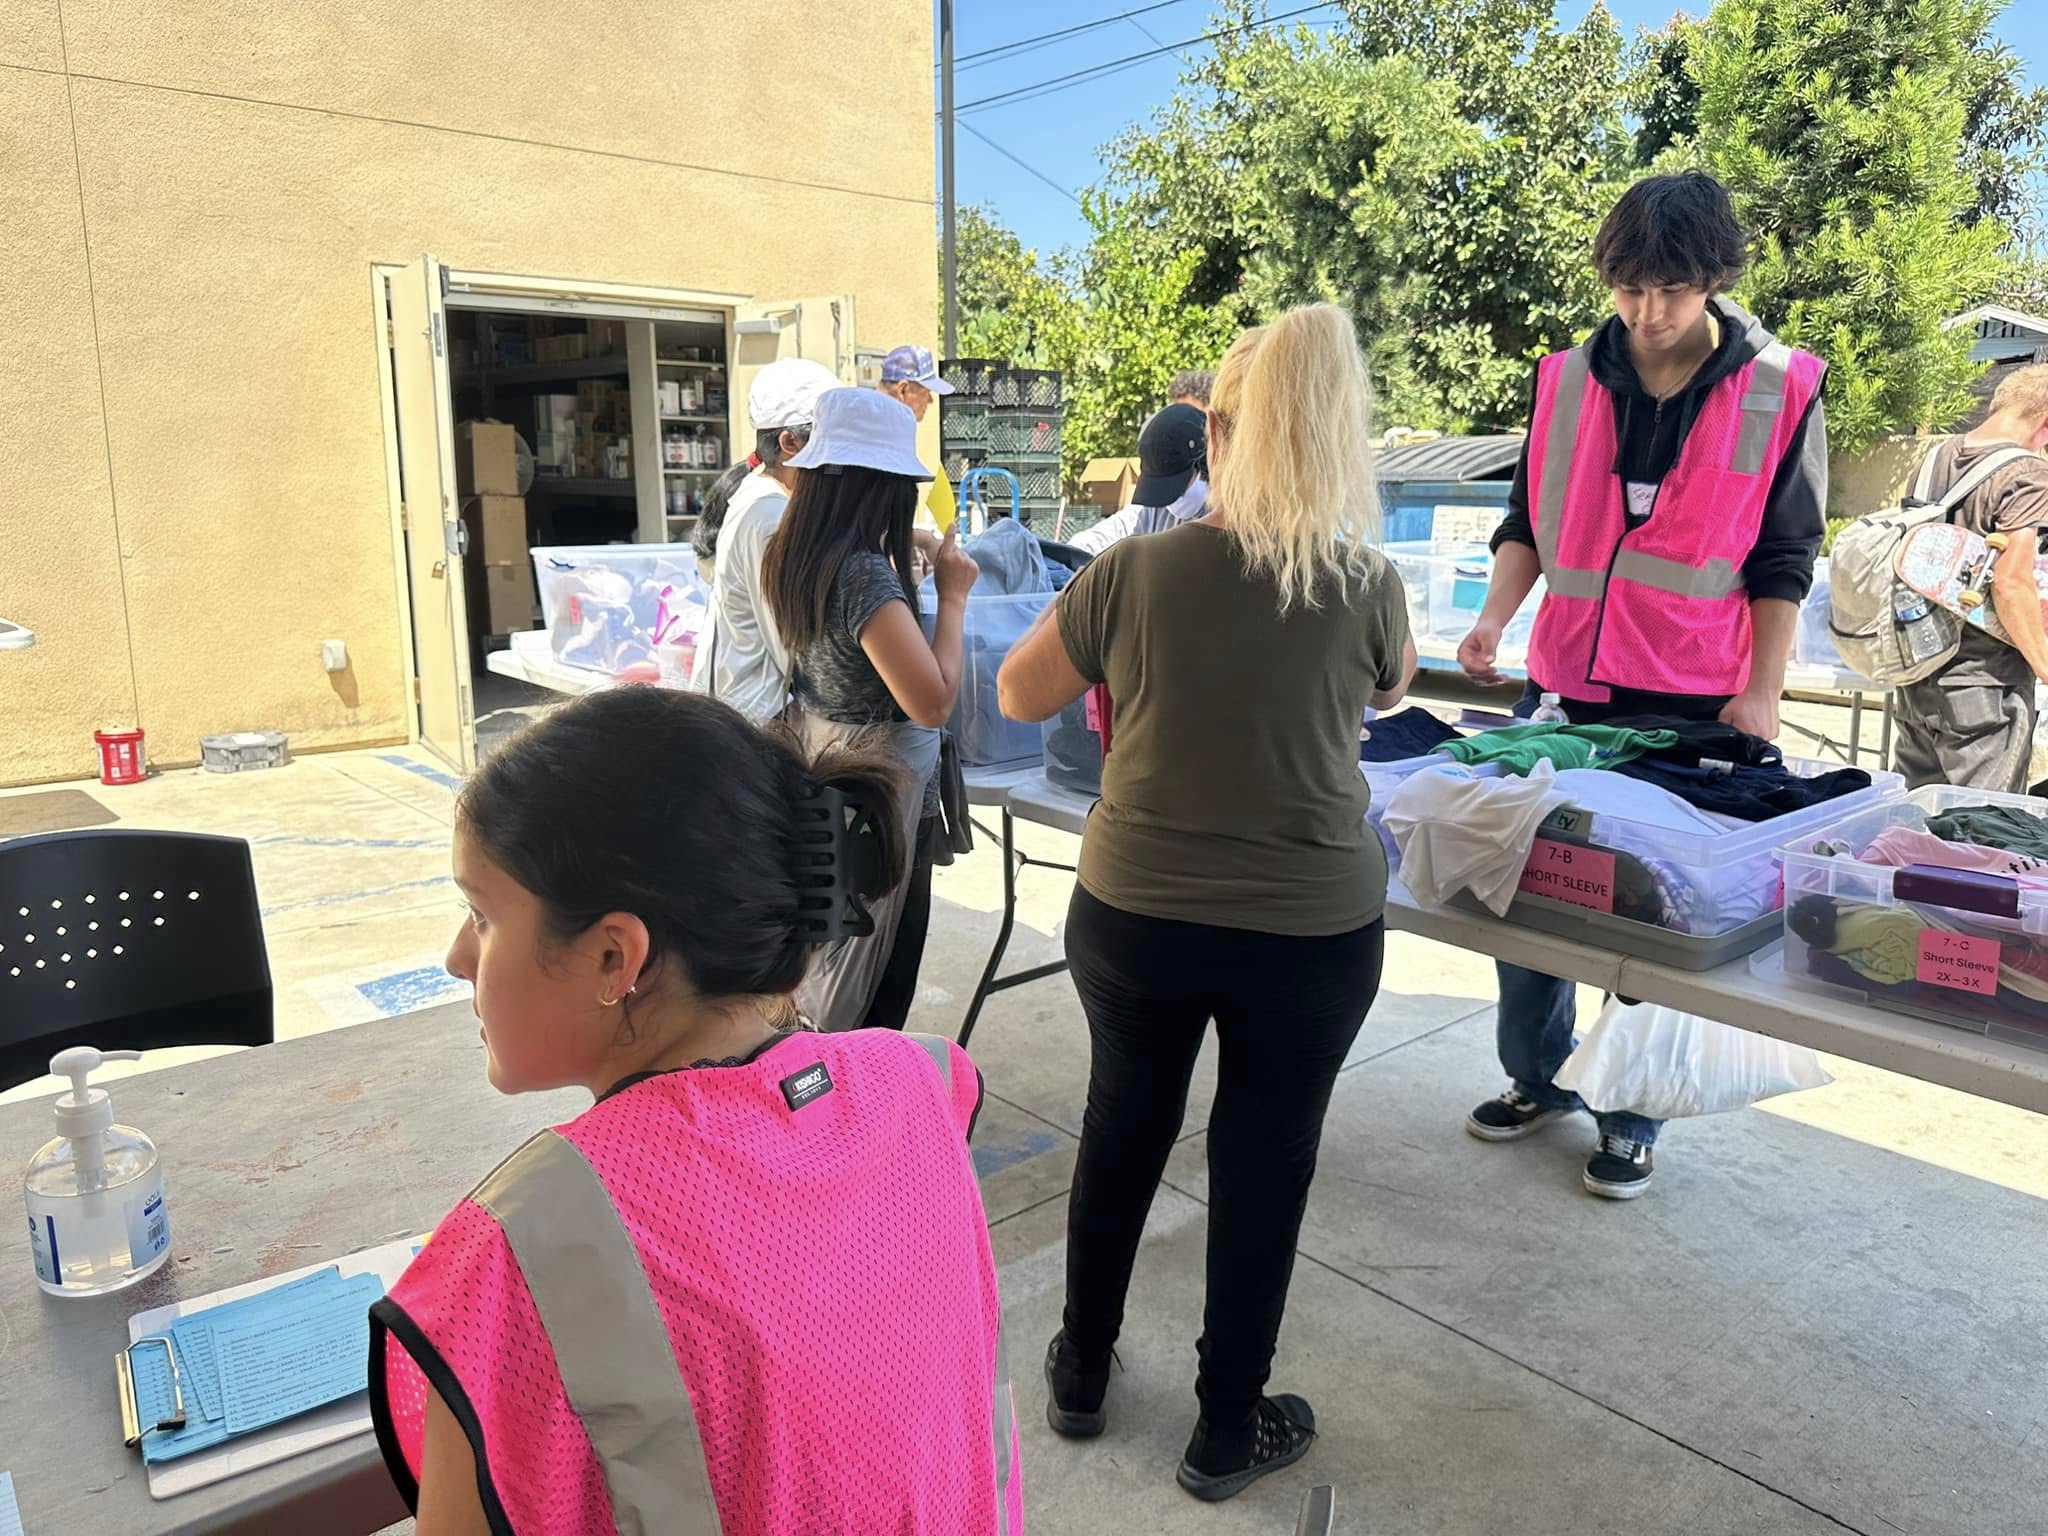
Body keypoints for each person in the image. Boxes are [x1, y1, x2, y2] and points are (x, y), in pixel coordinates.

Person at [368, 687, 1021, 1534]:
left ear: (614, 957)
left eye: (481, 915)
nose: (457, 957)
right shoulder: (921, 1085)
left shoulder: (516, 1255)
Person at [998, 303, 1417, 1502]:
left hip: (1136, 908)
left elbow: (1020, 694)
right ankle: (1224, 1429)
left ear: (1214, 435)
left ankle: (1081, 1371)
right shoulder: (1365, 582)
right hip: (1309, 928)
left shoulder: (1130, 569)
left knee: (1123, 1124)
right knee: (1263, 1163)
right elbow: (1389, 690)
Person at [1456, 170, 1829, 1199]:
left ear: (1713, 278)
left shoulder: (1781, 386)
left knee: (1655, 914)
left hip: (1693, 704)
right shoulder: (1563, 381)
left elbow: (1784, 557)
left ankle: (1630, 1112)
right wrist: (1493, 617)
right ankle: (1537, 1077)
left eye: (1671, 289)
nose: (1648, 311)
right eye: (1628, 288)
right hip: (1566, 689)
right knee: (1532, 895)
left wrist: (1762, 689)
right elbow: (1528, 523)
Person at [762, 387, 979, 1033]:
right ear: (883, 488)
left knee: (830, 955)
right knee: (875, 976)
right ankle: (860, 1088)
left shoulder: (790, 554)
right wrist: (954, 597)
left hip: (829, 775)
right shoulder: (862, 577)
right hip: (881, 794)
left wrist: (909, 544)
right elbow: (932, 702)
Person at [1893, 365, 2048, 792]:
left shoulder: (1933, 459)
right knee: (1984, 822)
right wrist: (2044, 664)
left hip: (1919, 671)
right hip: (1986, 683)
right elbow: (2011, 583)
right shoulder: (2027, 474)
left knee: (1919, 814)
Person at [688, 358, 838, 720]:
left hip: (741, 710)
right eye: (832, 438)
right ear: (790, 442)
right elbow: (792, 645)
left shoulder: (757, 494)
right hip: (755, 717)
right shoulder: (771, 516)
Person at [1069, 402, 1210, 556]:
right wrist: (1071, 554)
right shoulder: (1151, 511)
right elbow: (1108, 534)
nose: (1169, 503)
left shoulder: (1222, 515)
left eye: (1174, 488)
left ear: (1203, 465)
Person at [878, 343, 960, 532]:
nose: (930, 400)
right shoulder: (882, 435)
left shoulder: (884, 426)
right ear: (903, 390)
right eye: (926, 392)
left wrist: (918, 538)